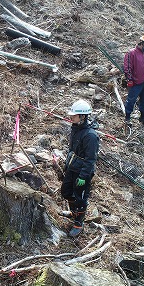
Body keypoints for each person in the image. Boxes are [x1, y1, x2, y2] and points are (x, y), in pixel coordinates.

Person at [61, 99, 99, 238]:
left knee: (80, 198)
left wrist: (83, 176)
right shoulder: (75, 129)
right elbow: (72, 149)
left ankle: (78, 223)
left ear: (83, 116)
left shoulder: (90, 136)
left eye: (74, 115)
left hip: (83, 171)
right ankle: (73, 212)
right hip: (72, 167)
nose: (71, 117)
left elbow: (90, 160)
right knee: (66, 192)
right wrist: (67, 165)